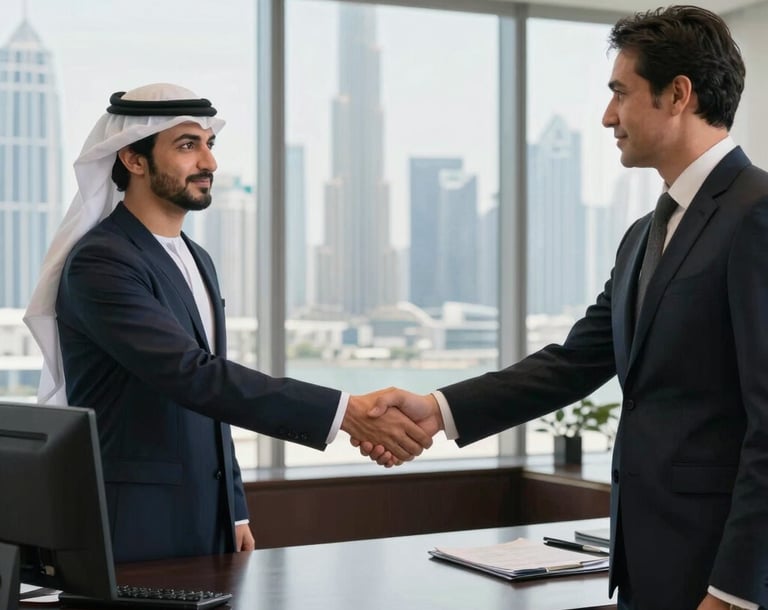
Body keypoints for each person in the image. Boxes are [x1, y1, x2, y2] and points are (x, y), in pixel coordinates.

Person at [359, 6, 768, 610]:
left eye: (620, 94)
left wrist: (734, 592)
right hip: (647, 567)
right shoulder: (642, 234)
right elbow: (573, 362)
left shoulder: (756, 214)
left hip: (717, 579)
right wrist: (437, 409)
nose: (608, 117)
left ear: (678, 94)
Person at [23, 83, 431, 563]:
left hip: (207, 521)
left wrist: (234, 509)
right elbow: (192, 375)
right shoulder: (102, 261)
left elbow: (214, 396)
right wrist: (345, 412)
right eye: (187, 146)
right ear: (133, 160)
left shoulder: (197, 258)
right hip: (131, 525)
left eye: (209, 145)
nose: (209, 164)